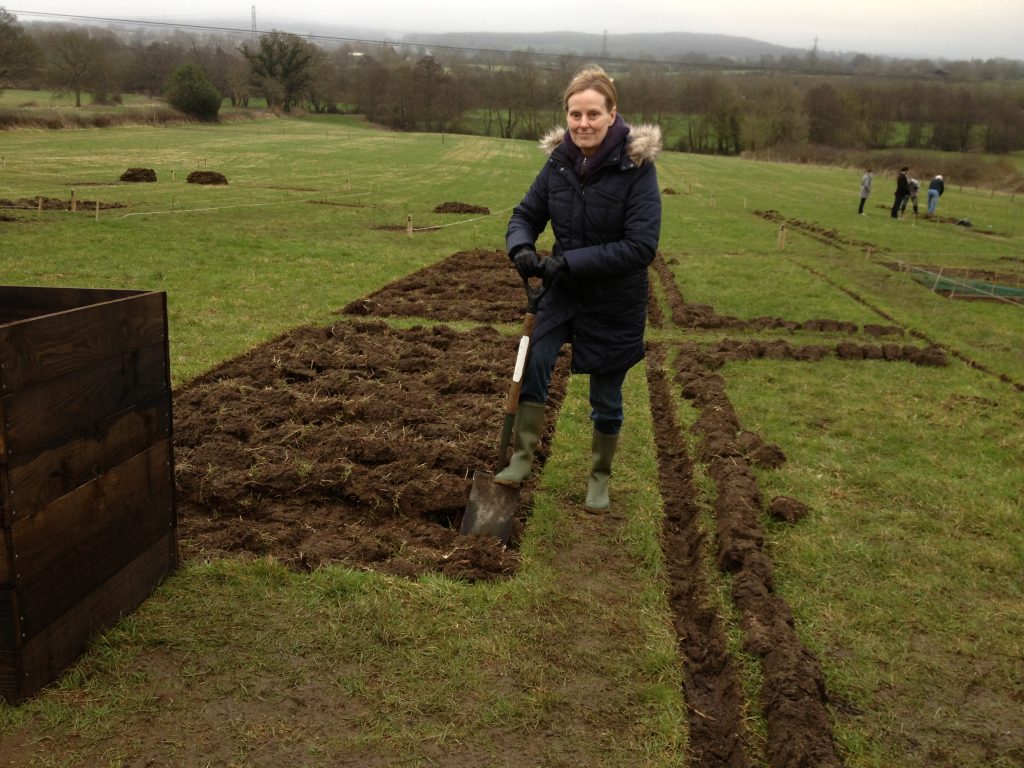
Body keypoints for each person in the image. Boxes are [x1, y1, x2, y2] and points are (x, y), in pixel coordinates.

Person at [496, 65, 662, 512]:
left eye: (592, 114)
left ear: (613, 114)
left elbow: (640, 246)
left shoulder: (637, 169)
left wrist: (570, 261)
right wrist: (522, 248)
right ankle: (520, 459)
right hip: (562, 292)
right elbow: (524, 214)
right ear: (566, 116)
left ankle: (598, 478)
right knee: (533, 366)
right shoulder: (558, 163)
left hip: (615, 301)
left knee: (606, 397)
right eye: (575, 114)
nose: (582, 124)